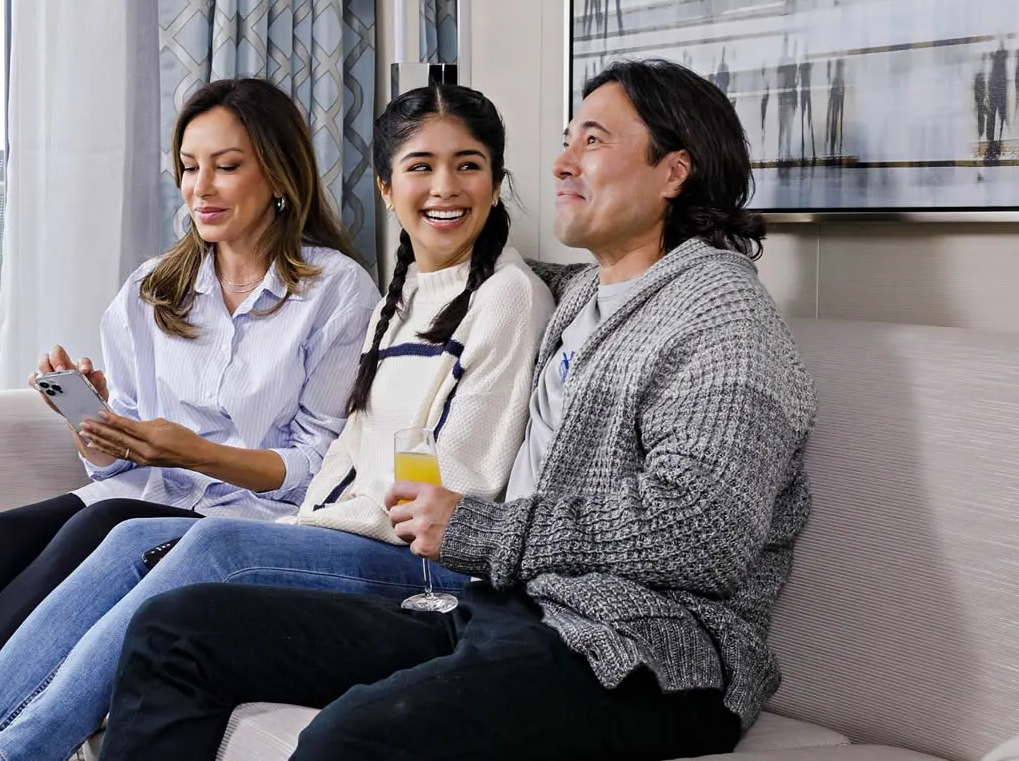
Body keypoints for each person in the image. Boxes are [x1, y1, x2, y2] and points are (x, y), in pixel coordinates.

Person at [97, 58, 818, 761]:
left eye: (592, 141)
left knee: (353, 737)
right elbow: (455, 286)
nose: (563, 162)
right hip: (512, 610)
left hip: (647, 653)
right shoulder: (580, 298)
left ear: (674, 171)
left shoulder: (722, 316)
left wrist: (478, 527)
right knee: (178, 631)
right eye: (567, 139)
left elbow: (705, 533)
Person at [0, 84, 555, 761]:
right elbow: (352, 449)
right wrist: (102, 427)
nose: (445, 186)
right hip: (332, 528)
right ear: (385, 187)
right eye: (420, 167)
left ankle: (14, 752)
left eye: (468, 165)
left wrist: (303, 518)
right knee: (124, 536)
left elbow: (459, 483)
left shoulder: (507, 298)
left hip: (421, 561)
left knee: (212, 547)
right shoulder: (402, 297)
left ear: (496, 183)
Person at [0, 77, 380, 685]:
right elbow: (117, 472)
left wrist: (195, 452)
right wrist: (95, 425)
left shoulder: (337, 291)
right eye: (189, 167)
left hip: (245, 522)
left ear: (278, 174)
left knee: (97, 527)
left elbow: (323, 467)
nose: (200, 188)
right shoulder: (153, 288)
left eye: (227, 166)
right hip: (143, 497)